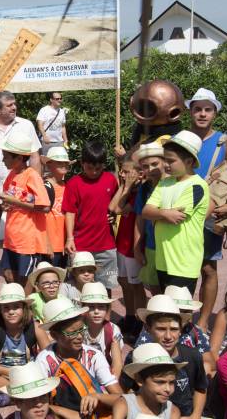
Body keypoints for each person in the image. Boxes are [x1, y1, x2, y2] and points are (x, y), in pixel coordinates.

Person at [186, 88, 227, 330]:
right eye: (198, 109)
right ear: (190, 112)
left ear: (215, 113)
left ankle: (204, 322)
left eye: (208, 109)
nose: (202, 114)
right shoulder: (181, 139)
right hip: (182, 213)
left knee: (208, 268)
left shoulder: (226, 142)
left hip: (209, 217)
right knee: (183, 269)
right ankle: (183, 319)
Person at [142, 131, 209, 293]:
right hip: (163, 260)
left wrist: (158, 213)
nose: (166, 165)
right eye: (165, 160)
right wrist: (164, 214)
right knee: (166, 313)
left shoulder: (196, 186)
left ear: (189, 161)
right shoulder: (165, 182)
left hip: (183, 263)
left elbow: (177, 217)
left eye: (171, 161)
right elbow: (146, 211)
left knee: (181, 313)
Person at [120, 295, 207, 419]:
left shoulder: (193, 355)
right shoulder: (136, 357)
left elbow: (201, 388)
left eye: (174, 329)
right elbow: (125, 389)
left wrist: (196, 415)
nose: (168, 336)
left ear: (180, 330)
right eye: (161, 329)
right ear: (148, 329)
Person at [35, 298, 123, 400]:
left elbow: (119, 397)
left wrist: (98, 397)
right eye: (72, 333)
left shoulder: (94, 356)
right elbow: (40, 401)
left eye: (82, 329)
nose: (80, 336)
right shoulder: (44, 361)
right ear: (55, 335)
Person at [62, 141, 119, 290]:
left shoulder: (111, 180)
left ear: (104, 165)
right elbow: (70, 212)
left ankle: (105, 314)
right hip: (80, 245)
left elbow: (117, 204)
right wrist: (69, 238)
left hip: (106, 246)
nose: (93, 172)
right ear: (82, 163)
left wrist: (114, 215)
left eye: (98, 168)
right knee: (78, 288)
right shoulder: (74, 183)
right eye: (89, 168)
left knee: (105, 289)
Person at [1, 132, 50, 285]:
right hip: (11, 238)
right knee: (9, 276)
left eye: (6, 157)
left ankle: (26, 308)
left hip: (27, 241)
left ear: (19, 158)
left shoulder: (32, 176)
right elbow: (10, 201)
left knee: (26, 280)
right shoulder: (11, 175)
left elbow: (45, 207)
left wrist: (14, 201)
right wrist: (7, 205)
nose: (3, 160)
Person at [0, 284, 50, 380]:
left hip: (29, 373)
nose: (11, 312)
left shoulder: (35, 327)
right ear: (0, 310)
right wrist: (8, 372)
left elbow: (49, 357)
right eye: (6, 307)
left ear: (24, 308)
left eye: (16, 307)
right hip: (2, 374)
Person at [0, 91, 41, 187]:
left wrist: (36, 185)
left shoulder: (26, 125)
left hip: (19, 190)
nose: (14, 107)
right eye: (9, 105)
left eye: (14, 104)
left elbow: (34, 157)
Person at [109, 154, 144, 334]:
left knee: (136, 286)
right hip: (121, 243)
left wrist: (127, 186)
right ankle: (130, 316)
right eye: (121, 171)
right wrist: (124, 186)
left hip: (133, 246)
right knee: (124, 282)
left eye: (126, 172)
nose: (122, 174)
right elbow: (111, 206)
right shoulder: (128, 190)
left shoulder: (139, 193)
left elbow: (117, 209)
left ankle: (141, 321)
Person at [113, 343, 182, 419]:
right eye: (160, 382)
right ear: (139, 380)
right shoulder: (124, 405)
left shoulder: (172, 412)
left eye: (171, 382)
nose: (168, 389)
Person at [133, 142, 166, 295]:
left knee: (173, 290)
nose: (151, 169)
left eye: (155, 164)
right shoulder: (144, 188)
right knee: (155, 288)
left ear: (164, 162)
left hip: (170, 247)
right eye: (146, 166)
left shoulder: (173, 185)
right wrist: (137, 248)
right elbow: (139, 219)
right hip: (151, 246)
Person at [80, 282, 123, 377]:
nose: (96, 311)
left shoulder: (113, 330)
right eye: (91, 307)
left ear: (107, 309)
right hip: (81, 373)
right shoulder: (78, 328)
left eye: (101, 307)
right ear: (83, 308)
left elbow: (117, 364)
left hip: (105, 373)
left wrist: (112, 384)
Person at [42, 147, 71, 267]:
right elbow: (41, 217)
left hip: (65, 244)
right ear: (49, 165)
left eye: (65, 163)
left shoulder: (69, 186)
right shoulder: (45, 187)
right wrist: (47, 243)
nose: (63, 165)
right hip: (50, 244)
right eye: (59, 162)